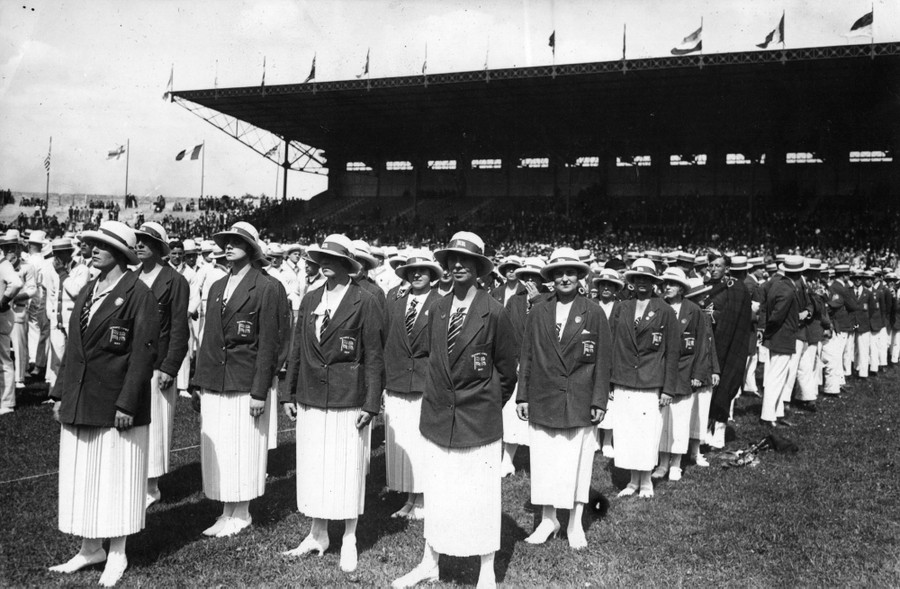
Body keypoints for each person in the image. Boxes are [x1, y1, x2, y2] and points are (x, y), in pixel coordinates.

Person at [392, 231, 517, 589]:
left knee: (479, 494)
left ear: (479, 268)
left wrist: (485, 401)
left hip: (478, 420)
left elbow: (506, 371)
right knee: (440, 492)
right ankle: (430, 562)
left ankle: (486, 571)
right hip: (439, 417)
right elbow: (435, 360)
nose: (459, 265)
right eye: (453, 260)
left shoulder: (494, 312)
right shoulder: (438, 307)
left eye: (467, 261)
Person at [48, 221, 159, 586]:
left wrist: (127, 403)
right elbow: (74, 348)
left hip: (115, 404)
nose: (93, 249)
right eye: (92, 243)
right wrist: (61, 393)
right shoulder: (88, 289)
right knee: (83, 474)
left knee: (116, 476)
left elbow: (143, 354)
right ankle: (89, 547)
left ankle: (117, 552)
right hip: (82, 399)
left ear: (122, 253)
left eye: (101, 245)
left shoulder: (139, 293)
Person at [282, 234, 384, 573]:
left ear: (347, 265)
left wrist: (370, 404)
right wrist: (288, 392)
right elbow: (297, 347)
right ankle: (318, 533)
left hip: (347, 399)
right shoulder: (311, 298)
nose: (324, 263)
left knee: (346, 469)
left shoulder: (364, 300)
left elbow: (373, 356)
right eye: (321, 257)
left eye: (333, 259)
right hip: (311, 396)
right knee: (314, 467)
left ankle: (350, 538)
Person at [516, 247, 611, 549]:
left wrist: (598, 401)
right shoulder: (540, 310)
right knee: (544, 461)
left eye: (570, 272)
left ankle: (574, 523)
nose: (565, 278)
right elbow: (527, 355)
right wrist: (522, 396)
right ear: (551, 280)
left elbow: (603, 360)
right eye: (559, 274)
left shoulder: (592, 311)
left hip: (579, 398)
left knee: (577, 461)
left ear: (580, 277)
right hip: (543, 396)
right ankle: (548, 519)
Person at [192, 222, 282, 538]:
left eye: (236, 242)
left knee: (242, 446)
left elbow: (269, 344)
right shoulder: (217, 286)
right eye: (226, 241)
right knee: (219, 441)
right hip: (216, 379)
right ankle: (226, 510)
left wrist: (260, 391)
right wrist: (198, 382)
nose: (228, 246)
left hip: (245, 381)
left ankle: (241, 512)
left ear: (253, 249)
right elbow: (208, 338)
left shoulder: (267, 287)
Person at [607, 257, 679, 499]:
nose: (641, 283)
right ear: (631, 281)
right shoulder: (621, 308)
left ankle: (646, 480)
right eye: (637, 278)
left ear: (653, 283)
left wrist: (669, 389)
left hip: (651, 380)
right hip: (624, 378)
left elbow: (672, 352)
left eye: (646, 279)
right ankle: (632, 480)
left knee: (647, 431)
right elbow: (610, 343)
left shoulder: (665, 311)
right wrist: (609, 380)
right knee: (626, 431)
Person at [381, 249, 443, 519]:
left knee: (423, 442)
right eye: (412, 271)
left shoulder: (441, 303)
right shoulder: (394, 300)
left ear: (432, 275)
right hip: (397, 380)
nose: (417, 274)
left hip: (424, 381)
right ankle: (409, 497)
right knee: (403, 441)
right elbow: (386, 340)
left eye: (423, 270)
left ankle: (425, 498)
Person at [134, 222, 190, 507]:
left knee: (156, 424)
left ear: (159, 248)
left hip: (158, 364)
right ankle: (135, 477)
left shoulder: (174, 280)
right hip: (131, 364)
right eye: (138, 240)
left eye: (147, 241)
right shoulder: (131, 278)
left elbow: (180, 328)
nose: (140, 244)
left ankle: (151, 486)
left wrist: (170, 367)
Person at [693, 251, 752, 448]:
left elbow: (735, 317)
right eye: (711, 266)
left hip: (729, 343)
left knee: (725, 387)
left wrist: (713, 315)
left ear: (727, 268)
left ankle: (719, 431)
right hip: (709, 344)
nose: (714, 269)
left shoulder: (735, 288)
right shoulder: (706, 287)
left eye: (718, 266)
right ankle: (703, 431)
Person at [653, 267, 706, 482]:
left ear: (682, 288)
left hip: (685, 370)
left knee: (681, 419)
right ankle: (662, 462)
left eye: (672, 284)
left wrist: (698, 373)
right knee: (662, 420)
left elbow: (702, 344)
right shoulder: (657, 308)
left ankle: (676, 463)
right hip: (661, 370)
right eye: (665, 283)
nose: (667, 287)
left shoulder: (694, 311)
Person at [760, 256, 805, 427]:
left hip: (780, 336)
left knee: (778, 376)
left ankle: (776, 412)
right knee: (776, 378)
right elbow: (776, 317)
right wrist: (769, 333)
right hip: (782, 336)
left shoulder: (778, 284)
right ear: (799, 273)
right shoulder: (787, 290)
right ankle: (768, 415)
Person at [592, 267, 624, 457]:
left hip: (613, 356)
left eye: (609, 285)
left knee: (610, 397)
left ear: (615, 289)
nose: (605, 288)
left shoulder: (622, 307)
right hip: (591, 355)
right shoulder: (590, 304)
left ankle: (607, 441)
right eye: (602, 284)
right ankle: (594, 437)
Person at [0, 235, 23, 415]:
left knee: (3, 360)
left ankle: (7, 403)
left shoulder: (4, 264)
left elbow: (16, 283)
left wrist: (4, 300)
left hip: (1, 315)